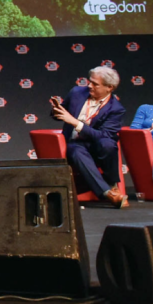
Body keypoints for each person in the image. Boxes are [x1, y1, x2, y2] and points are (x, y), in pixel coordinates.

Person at [51, 66, 128, 208]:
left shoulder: (116, 109)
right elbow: (61, 113)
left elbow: (104, 135)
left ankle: (112, 183)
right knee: (76, 151)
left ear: (109, 87)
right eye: (90, 81)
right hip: (75, 143)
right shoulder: (76, 93)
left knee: (108, 144)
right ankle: (108, 193)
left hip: (96, 145)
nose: (89, 86)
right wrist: (56, 111)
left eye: (95, 84)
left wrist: (75, 122)